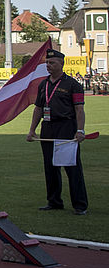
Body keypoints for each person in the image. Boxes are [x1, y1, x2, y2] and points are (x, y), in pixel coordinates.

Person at [26, 48, 88, 214]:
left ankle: (80, 204)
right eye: (47, 62)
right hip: (48, 127)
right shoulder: (43, 84)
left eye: (52, 62)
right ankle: (54, 201)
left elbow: (79, 110)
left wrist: (80, 130)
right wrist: (32, 130)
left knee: (71, 167)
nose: (48, 65)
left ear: (62, 64)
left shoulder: (72, 84)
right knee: (50, 166)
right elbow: (38, 108)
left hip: (66, 127)